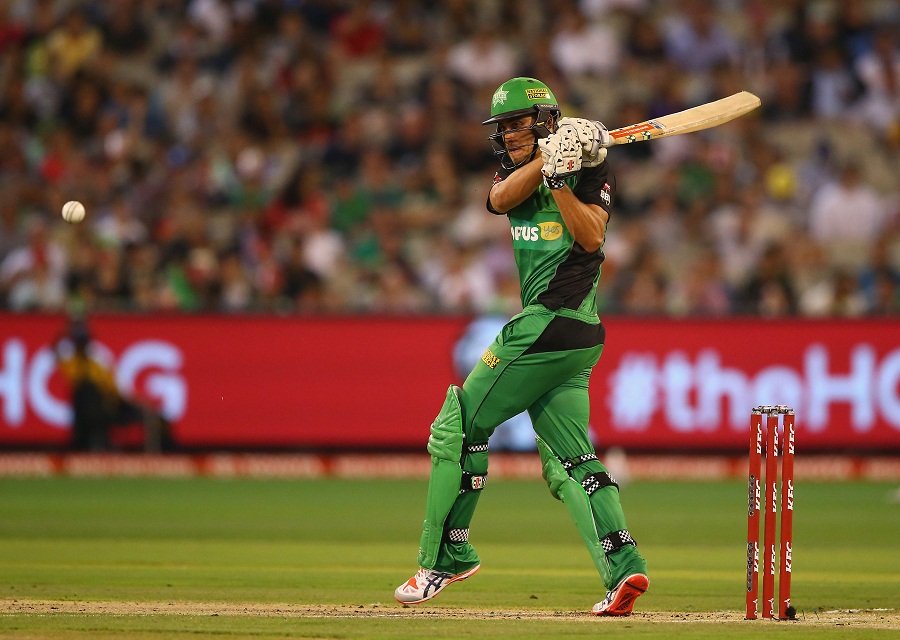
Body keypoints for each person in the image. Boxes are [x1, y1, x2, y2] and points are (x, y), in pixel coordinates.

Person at [394, 77, 649, 615]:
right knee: (570, 461)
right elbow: (498, 199)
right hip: (572, 339)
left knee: (457, 424)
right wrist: (547, 159)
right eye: (502, 127)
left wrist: (560, 177)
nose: (507, 134)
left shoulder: (591, 168)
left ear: (544, 119)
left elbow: (592, 237)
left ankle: (443, 557)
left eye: (516, 123)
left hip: (551, 322)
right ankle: (624, 573)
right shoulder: (517, 169)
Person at [53, 317, 173, 452]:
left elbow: (118, 389)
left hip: (111, 407)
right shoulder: (73, 362)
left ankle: (155, 455)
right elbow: (55, 350)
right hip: (99, 411)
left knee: (151, 414)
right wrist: (66, 332)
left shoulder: (97, 360)